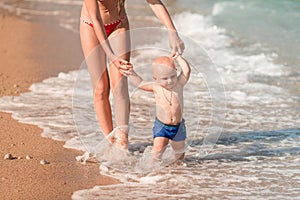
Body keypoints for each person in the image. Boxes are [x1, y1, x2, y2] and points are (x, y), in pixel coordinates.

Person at [79, 0, 185, 150]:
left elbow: (154, 2)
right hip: (91, 26)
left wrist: (172, 32)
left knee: (120, 84)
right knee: (101, 88)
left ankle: (122, 141)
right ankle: (110, 141)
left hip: (118, 25)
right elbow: (96, 20)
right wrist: (112, 56)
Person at [124, 54, 191, 160]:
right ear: (155, 79)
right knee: (158, 150)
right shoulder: (156, 87)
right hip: (162, 126)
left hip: (178, 127)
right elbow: (140, 83)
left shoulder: (179, 84)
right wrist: (132, 73)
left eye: (173, 76)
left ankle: (177, 171)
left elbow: (187, 70)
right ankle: (152, 168)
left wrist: (178, 57)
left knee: (179, 153)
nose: (169, 81)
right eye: (164, 78)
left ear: (176, 71)